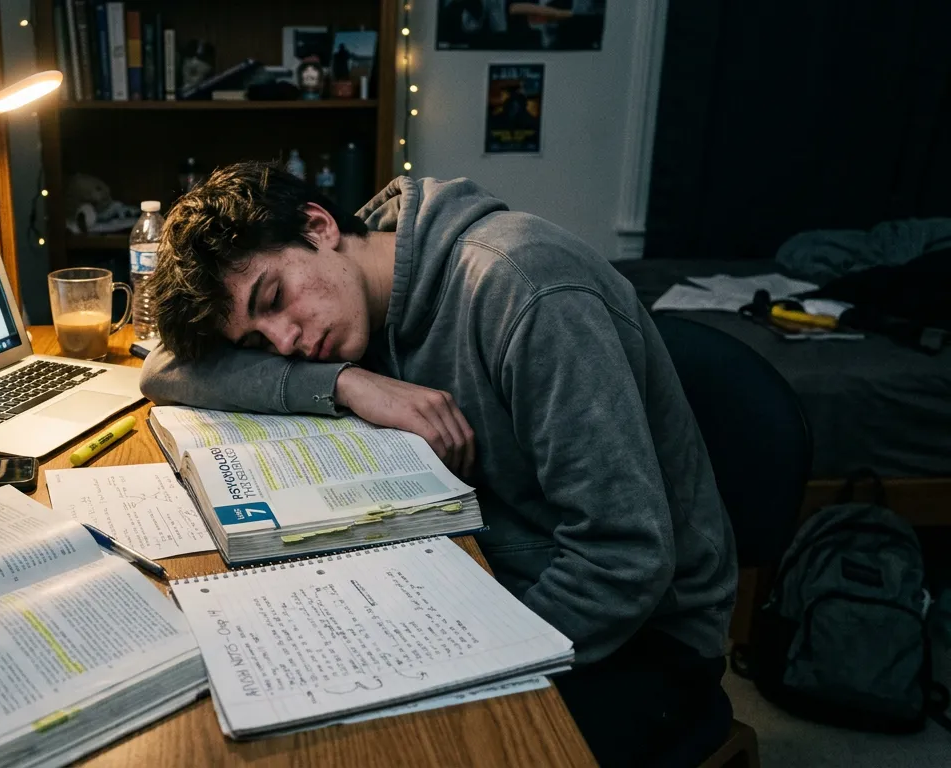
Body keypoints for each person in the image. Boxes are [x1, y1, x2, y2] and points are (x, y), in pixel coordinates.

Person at [140, 161, 738, 767]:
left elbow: (624, 557)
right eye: (258, 343)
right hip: (471, 568)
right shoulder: (353, 286)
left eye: (274, 298)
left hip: (640, 636)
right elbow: (163, 367)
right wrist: (345, 382)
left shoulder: (528, 288)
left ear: (318, 226)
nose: (286, 342)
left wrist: (443, 664)